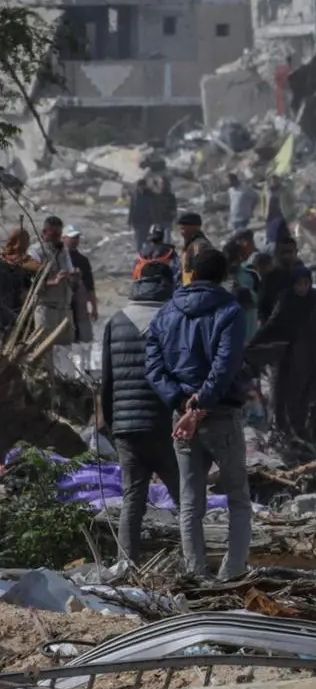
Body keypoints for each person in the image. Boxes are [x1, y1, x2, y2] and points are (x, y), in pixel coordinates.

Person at [145, 248, 252, 580]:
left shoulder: (166, 313)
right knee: (237, 497)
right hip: (219, 415)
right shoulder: (230, 311)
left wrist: (182, 403)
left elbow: (153, 366)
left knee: (190, 502)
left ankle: (195, 571)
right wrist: (200, 403)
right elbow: (225, 365)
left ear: (189, 273)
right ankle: (232, 571)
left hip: (182, 420)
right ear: (222, 275)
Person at [97, 260, 180, 567]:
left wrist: (109, 422)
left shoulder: (116, 320)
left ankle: (125, 566)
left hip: (126, 428)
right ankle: (195, 563)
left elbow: (107, 381)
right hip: (164, 426)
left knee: (133, 501)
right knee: (185, 499)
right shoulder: (172, 319)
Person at [252, 265, 316, 447]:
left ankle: (306, 434)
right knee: (292, 396)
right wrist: (254, 342)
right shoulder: (286, 299)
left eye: (306, 283)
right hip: (295, 356)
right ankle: (293, 433)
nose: (302, 287)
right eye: (299, 284)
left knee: (312, 397)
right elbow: (272, 324)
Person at [30, 216, 76, 346]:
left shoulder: (63, 251)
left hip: (64, 308)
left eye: (59, 234)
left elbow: (69, 272)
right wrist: (54, 282)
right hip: (46, 309)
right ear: (45, 232)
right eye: (54, 234)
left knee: (65, 352)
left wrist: (73, 277)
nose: (57, 238)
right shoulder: (36, 252)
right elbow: (32, 284)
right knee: (45, 350)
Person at [127, 166, 177, 252]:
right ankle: (141, 257)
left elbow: (155, 208)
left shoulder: (152, 195)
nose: (141, 189)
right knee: (139, 241)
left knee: (154, 240)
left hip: (150, 221)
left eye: (143, 186)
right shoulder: (135, 195)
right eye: (140, 187)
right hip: (138, 221)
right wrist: (130, 220)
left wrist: (157, 220)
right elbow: (132, 208)